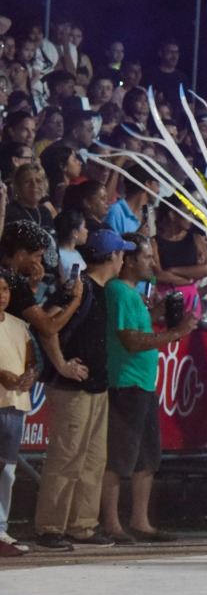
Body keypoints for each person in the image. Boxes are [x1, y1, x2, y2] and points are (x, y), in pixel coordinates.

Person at [33, 228, 129, 550]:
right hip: (72, 387)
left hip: (95, 386)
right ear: (111, 256)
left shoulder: (97, 289)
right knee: (66, 458)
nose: (124, 259)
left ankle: (82, 525)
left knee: (92, 460)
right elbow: (46, 324)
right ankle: (50, 527)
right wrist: (61, 364)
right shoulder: (79, 287)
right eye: (121, 253)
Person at [100, 234, 198, 544]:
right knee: (119, 458)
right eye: (146, 257)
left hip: (141, 383)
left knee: (147, 457)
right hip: (125, 382)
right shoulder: (118, 291)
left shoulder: (131, 294)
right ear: (129, 260)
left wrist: (158, 314)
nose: (153, 263)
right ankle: (112, 523)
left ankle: (139, 521)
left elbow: (137, 330)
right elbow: (129, 339)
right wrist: (175, 333)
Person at [0, 267, 37, 557]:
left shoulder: (17, 324)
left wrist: (29, 376)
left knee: (7, 471)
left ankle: (1, 529)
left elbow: (31, 360)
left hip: (14, 404)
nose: (1, 295)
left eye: (4, 289)